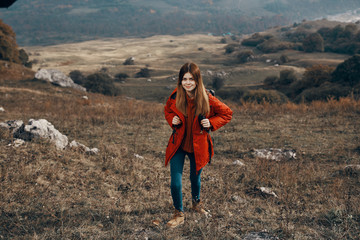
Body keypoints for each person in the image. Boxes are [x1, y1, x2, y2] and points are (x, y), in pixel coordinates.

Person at [164, 62, 233, 228]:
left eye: (191, 79)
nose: (188, 82)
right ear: (180, 80)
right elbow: (168, 110)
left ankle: (196, 204)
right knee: (175, 182)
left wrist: (211, 122)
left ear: (197, 80)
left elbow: (227, 113)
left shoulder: (207, 97)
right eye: (184, 79)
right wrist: (171, 120)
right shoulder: (175, 95)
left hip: (198, 146)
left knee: (195, 178)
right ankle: (178, 213)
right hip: (178, 145)